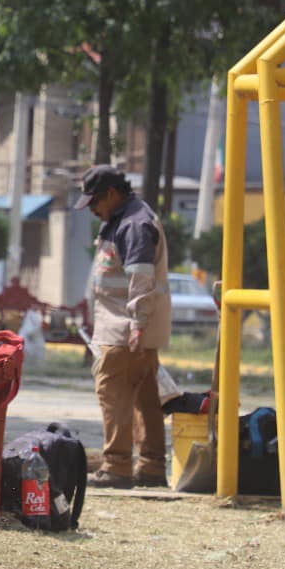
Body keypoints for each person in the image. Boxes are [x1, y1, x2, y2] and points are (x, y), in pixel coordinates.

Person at [78, 165, 172, 490]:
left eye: (95, 202)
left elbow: (141, 279)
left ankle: (117, 466)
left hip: (124, 331)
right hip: (134, 329)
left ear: (113, 194)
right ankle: (151, 466)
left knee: (114, 393)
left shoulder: (133, 224)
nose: (92, 209)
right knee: (145, 396)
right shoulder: (126, 219)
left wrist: (136, 324)